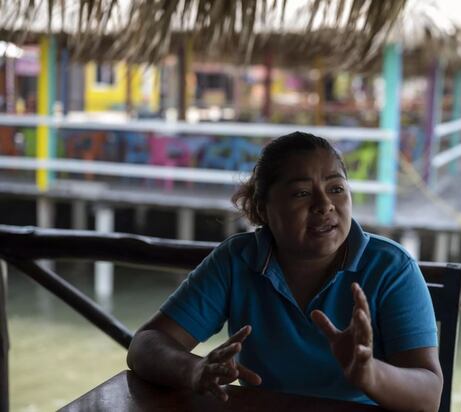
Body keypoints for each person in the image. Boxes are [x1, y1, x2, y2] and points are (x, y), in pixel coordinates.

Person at [127, 131, 443, 412]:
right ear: (263, 208)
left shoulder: (390, 267)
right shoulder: (237, 260)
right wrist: (194, 370)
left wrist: (369, 372)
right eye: (301, 193)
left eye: (336, 188)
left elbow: (428, 396)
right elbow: (146, 344)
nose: (324, 205)